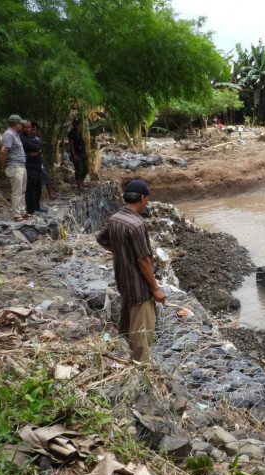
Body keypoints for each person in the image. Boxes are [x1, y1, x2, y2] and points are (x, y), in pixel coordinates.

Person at [96, 179, 166, 361]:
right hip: (139, 288)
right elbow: (144, 261)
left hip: (123, 282)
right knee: (142, 334)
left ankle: (123, 357)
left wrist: (120, 251)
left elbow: (101, 239)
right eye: (147, 200)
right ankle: (141, 369)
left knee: (126, 327)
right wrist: (156, 289)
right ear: (142, 198)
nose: (147, 203)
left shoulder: (116, 218)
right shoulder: (136, 224)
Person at [0, 114, 30, 222]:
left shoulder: (15, 134)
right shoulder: (9, 134)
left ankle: (22, 211)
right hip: (15, 166)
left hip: (20, 166)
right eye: (20, 123)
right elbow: (4, 151)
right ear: (16, 124)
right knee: (17, 191)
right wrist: (3, 164)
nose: (22, 125)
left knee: (22, 190)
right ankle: (17, 214)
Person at [20, 119, 43, 215]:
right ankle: (31, 209)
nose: (29, 129)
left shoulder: (32, 137)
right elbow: (34, 147)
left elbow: (40, 147)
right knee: (31, 187)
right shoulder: (22, 137)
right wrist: (37, 149)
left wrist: (37, 150)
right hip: (29, 166)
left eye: (30, 127)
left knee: (38, 187)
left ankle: (37, 207)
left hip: (37, 165)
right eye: (26, 127)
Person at [32, 122, 56, 201]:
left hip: (39, 163)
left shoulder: (37, 139)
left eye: (34, 129)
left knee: (46, 179)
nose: (32, 131)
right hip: (33, 165)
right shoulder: (28, 139)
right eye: (32, 129)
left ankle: (49, 195)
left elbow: (41, 149)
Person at [68, 116, 88, 191]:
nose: (77, 125)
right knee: (79, 169)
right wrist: (74, 155)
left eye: (78, 124)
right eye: (75, 124)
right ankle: (79, 184)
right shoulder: (71, 133)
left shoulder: (80, 132)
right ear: (73, 124)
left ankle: (82, 182)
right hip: (76, 153)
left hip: (82, 153)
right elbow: (71, 145)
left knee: (85, 169)